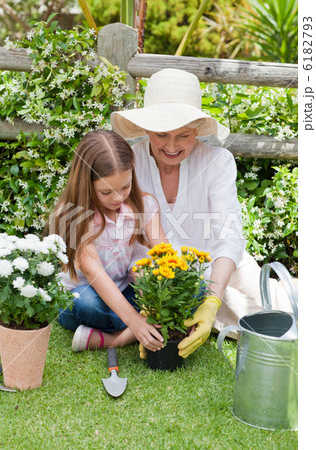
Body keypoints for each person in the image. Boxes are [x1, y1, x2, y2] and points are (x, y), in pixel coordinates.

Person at [111, 68, 293, 355]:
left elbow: (229, 237)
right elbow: (124, 238)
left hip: (219, 263)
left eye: (183, 135)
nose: (171, 146)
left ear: (197, 129)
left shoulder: (218, 161)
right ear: (147, 130)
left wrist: (212, 300)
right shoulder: (129, 162)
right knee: (241, 317)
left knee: (276, 309)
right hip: (159, 275)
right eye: (162, 135)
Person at [45, 130, 167, 352]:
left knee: (189, 290)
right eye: (106, 192)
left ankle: (114, 339)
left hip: (124, 290)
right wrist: (135, 320)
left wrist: (149, 292)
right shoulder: (73, 215)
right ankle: (139, 327)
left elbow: (162, 255)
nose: (118, 198)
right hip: (84, 292)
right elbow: (93, 273)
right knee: (88, 305)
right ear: (86, 184)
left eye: (125, 187)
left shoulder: (144, 204)